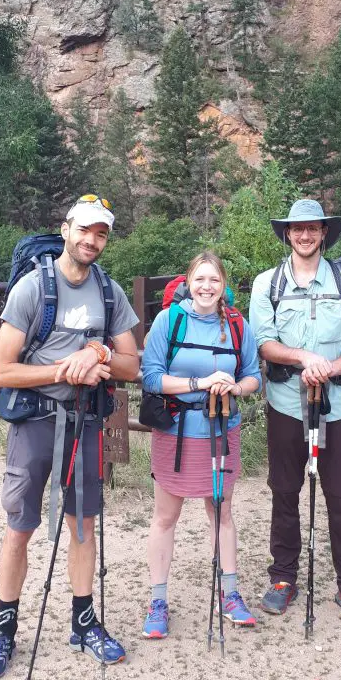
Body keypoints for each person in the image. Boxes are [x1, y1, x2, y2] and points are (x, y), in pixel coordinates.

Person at [0, 195, 140, 679]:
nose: (92, 240)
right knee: (20, 524)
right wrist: (64, 370)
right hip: (35, 421)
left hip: (86, 421)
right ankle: (3, 628)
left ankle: (84, 620)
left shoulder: (109, 293)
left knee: (83, 522)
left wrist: (100, 356)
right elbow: (1, 371)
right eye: (85, 229)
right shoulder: (32, 288)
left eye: (102, 233)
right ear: (66, 229)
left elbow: (134, 365)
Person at [248, 199, 341, 625]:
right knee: (285, 490)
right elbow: (264, 343)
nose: (305, 236)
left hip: (336, 406)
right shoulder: (267, 283)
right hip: (286, 405)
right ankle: (283, 578)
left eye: (313, 229)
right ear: (287, 234)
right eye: (297, 229)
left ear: (324, 233)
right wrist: (305, 358)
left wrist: (331, 368)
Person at [140, 251, 262, 638]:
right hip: (176, 431)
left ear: (224, 285)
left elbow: (253, 376)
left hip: (221, 428)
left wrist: (234, 387)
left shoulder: (238, 326)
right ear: (188, 283)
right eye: (200, 279)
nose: (207, 287)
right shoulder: (169, 320)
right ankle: (158, 601)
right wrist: (199, 384)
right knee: (165, 516)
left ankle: (230, 593)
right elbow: (151, 377)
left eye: (214, 280)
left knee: (221, 513)